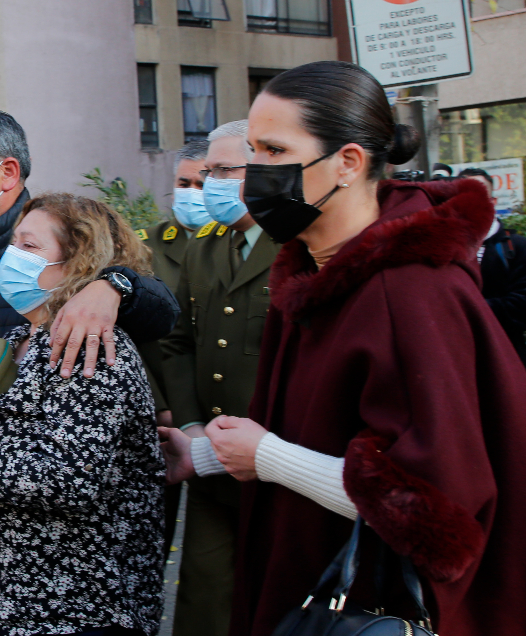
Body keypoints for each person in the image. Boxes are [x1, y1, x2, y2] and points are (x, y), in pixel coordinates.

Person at [159, 60, 526, 636]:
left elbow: (437, 513)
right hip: (310, 580)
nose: (254, 171)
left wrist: (269, 457)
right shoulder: (314, 273)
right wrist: (203, 455)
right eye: (252, 150)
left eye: (274, 151)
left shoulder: (407, 289)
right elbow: (317, 428)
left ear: (349, 163)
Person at [0, 108, 180, 636]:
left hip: (72, 584)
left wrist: (114, 286)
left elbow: (68, 475)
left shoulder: (86, 332)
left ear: (6, 172)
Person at [159, 120, 275, 636]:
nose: (210, 185)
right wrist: (190, 424)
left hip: (278, 460)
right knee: (206, 597)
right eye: (207, 172)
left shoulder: (297, 244)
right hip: (211, 456)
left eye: (225, 171)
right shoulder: (206, 244)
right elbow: (179, 341)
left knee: (276, 596)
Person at [138, 138, 209, 563]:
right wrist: (163, 407)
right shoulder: (143, 246)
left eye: (202, 182)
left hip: (223, 414)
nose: (192, 192)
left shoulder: (243, 248)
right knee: (151, 537)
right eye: (183, 182)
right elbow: (132, 333)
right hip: (160, 416)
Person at [460, 168, 526, 363]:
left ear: (493, 202)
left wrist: (464, 310)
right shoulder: (445, 248)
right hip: (462, 357)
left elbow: (521, 306)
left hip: (507, 356)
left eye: (478, 195)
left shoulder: (515, 246)